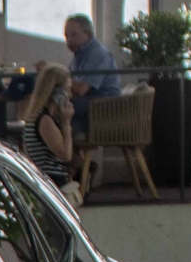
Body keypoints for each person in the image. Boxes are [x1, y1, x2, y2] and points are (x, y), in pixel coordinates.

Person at [18, 63, 77, 198]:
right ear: (56, 92)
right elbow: (65, 155)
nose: (70, 95)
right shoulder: (44, 121)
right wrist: (66, 123)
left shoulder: (43, 117)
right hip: (52, 183)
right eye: (67, 90)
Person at [64, 15, 121, 101]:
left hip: (103, 105)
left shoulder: (98, 54)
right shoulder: (80, 53)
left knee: (56, 107)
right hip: (88, 100)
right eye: (67, 36)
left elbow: (81, 89)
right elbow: (69, 79)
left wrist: (56, 77)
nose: (69, 40)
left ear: (89, 35)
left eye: (74, 35)